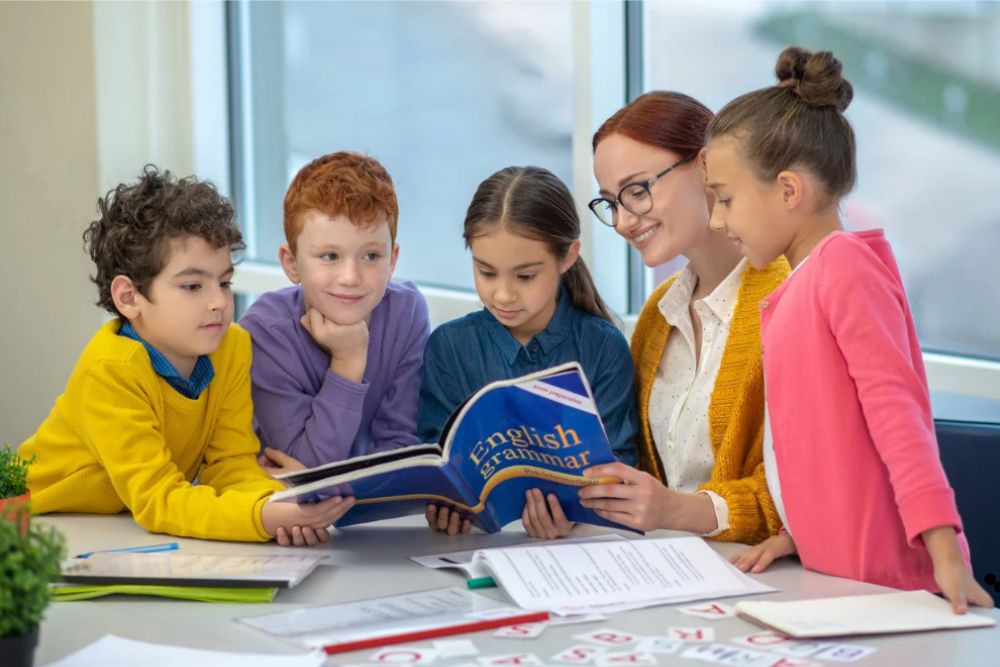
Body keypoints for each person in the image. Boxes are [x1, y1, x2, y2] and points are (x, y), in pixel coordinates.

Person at [705, 46, 991, 613]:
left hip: (888, 588)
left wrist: (947, 555)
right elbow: (831, 448)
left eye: (725, 199)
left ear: (788, 191)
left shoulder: (843, 270)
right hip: (837, 579)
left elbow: (898, 418)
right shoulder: (808, 279)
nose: (716, 220)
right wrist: (799, 534)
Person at [20, 166, 352, 545]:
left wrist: (281, 505)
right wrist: (260, 518)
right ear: (129, 297)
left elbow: (230, 464)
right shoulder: (110, 371)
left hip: (114, 526)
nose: (218, 302)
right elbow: (158, 499)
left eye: (224, 282)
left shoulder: (232, 348)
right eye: (193, 285)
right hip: (38, 524)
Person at [523, 92, 787, 543]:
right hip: (669, 570)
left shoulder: (783, 299)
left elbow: (797, 496)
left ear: (705, 166)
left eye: (638, 190)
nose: (624, 221)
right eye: (610, 202)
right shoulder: (658, 315)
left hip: (767, 578)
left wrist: (676, 510)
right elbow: (644, 480)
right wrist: (580, 503)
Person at [419, 166, 638, 534]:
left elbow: (621, 469)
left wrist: (572, 516)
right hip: (468, 549)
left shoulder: (602, 347)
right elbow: (431, 455)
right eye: (486, 273)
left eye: (525, 276)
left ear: (567, 257)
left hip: (582, 548)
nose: (503, 295)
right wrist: (441, 501)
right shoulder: (450, 346)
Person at [240, 152, 430, 470]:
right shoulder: (264, 332)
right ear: (291, 263)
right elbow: (306, 465)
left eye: (371, 256)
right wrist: (348, 361)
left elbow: (399, 449)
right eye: (330, 256)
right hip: (285, 514)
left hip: (353, 512)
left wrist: (336, 488)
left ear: (393, 260)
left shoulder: (406, 313)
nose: (351, 278)